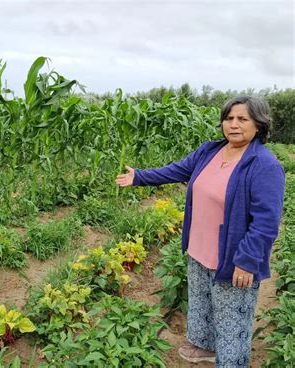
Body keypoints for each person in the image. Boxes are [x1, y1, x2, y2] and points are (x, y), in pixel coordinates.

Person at [115, 96, 285, 367]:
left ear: (259, 124)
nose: (234, 124)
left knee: (232, 318)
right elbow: (177, 170)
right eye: (229, 118)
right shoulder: (210, 151)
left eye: (242, 119)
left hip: (232, 256)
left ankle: (231, 362)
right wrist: (140, 177)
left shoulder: (264, 165)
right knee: (202, 303)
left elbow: (266, 222)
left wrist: (247, 261)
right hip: (200, 247)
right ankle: (206, 347)